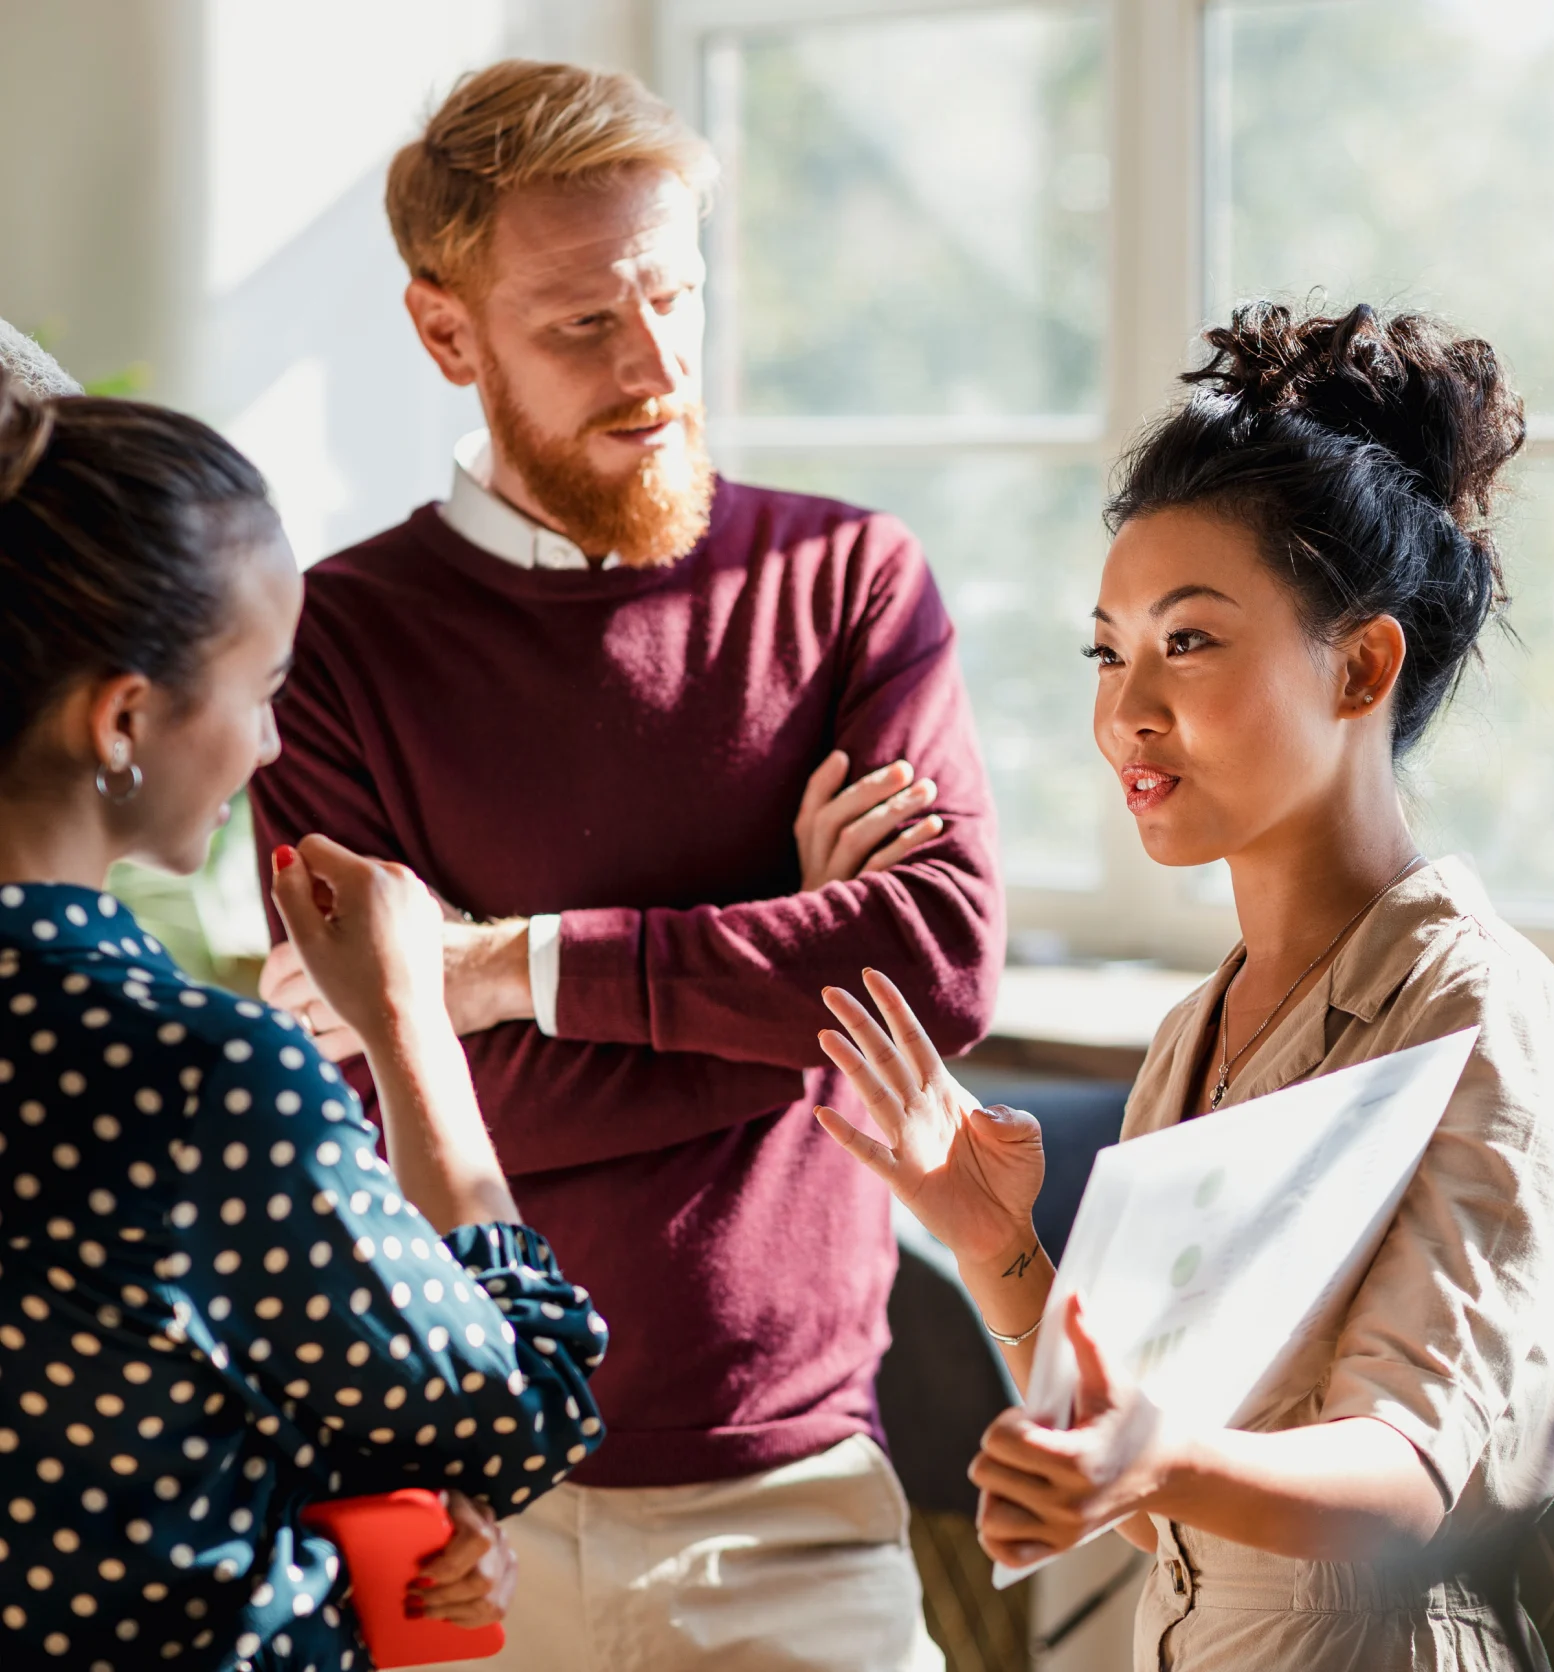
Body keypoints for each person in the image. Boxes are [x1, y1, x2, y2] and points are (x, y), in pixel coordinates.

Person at [248, 59, 1001, 1672]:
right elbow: (394, 1099)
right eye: (584, 321)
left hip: (800, 1504)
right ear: (448, 334)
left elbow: (931, 974)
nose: (654, 364)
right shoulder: (328, 652)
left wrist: (493, 972)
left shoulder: (846, 581)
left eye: (675, 296)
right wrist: (779, 983)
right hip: (462, 1521)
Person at [815, 303, 1554, 1672]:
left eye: (1187, 643)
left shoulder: (1479, 1013)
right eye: (1106, 649)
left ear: (1361, 664)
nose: (1126, 708)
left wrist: (1156, 1458)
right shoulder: (1201, 1028)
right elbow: (1136, 1475)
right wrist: (993, 1239)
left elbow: (1409, 1478)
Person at [0, 371, 608, 1666]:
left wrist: (334, 1506)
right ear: (124, 718)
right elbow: (520, 1408)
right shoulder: (191, 1079)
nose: (273, 747)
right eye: (262, 687)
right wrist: (409, 1024)